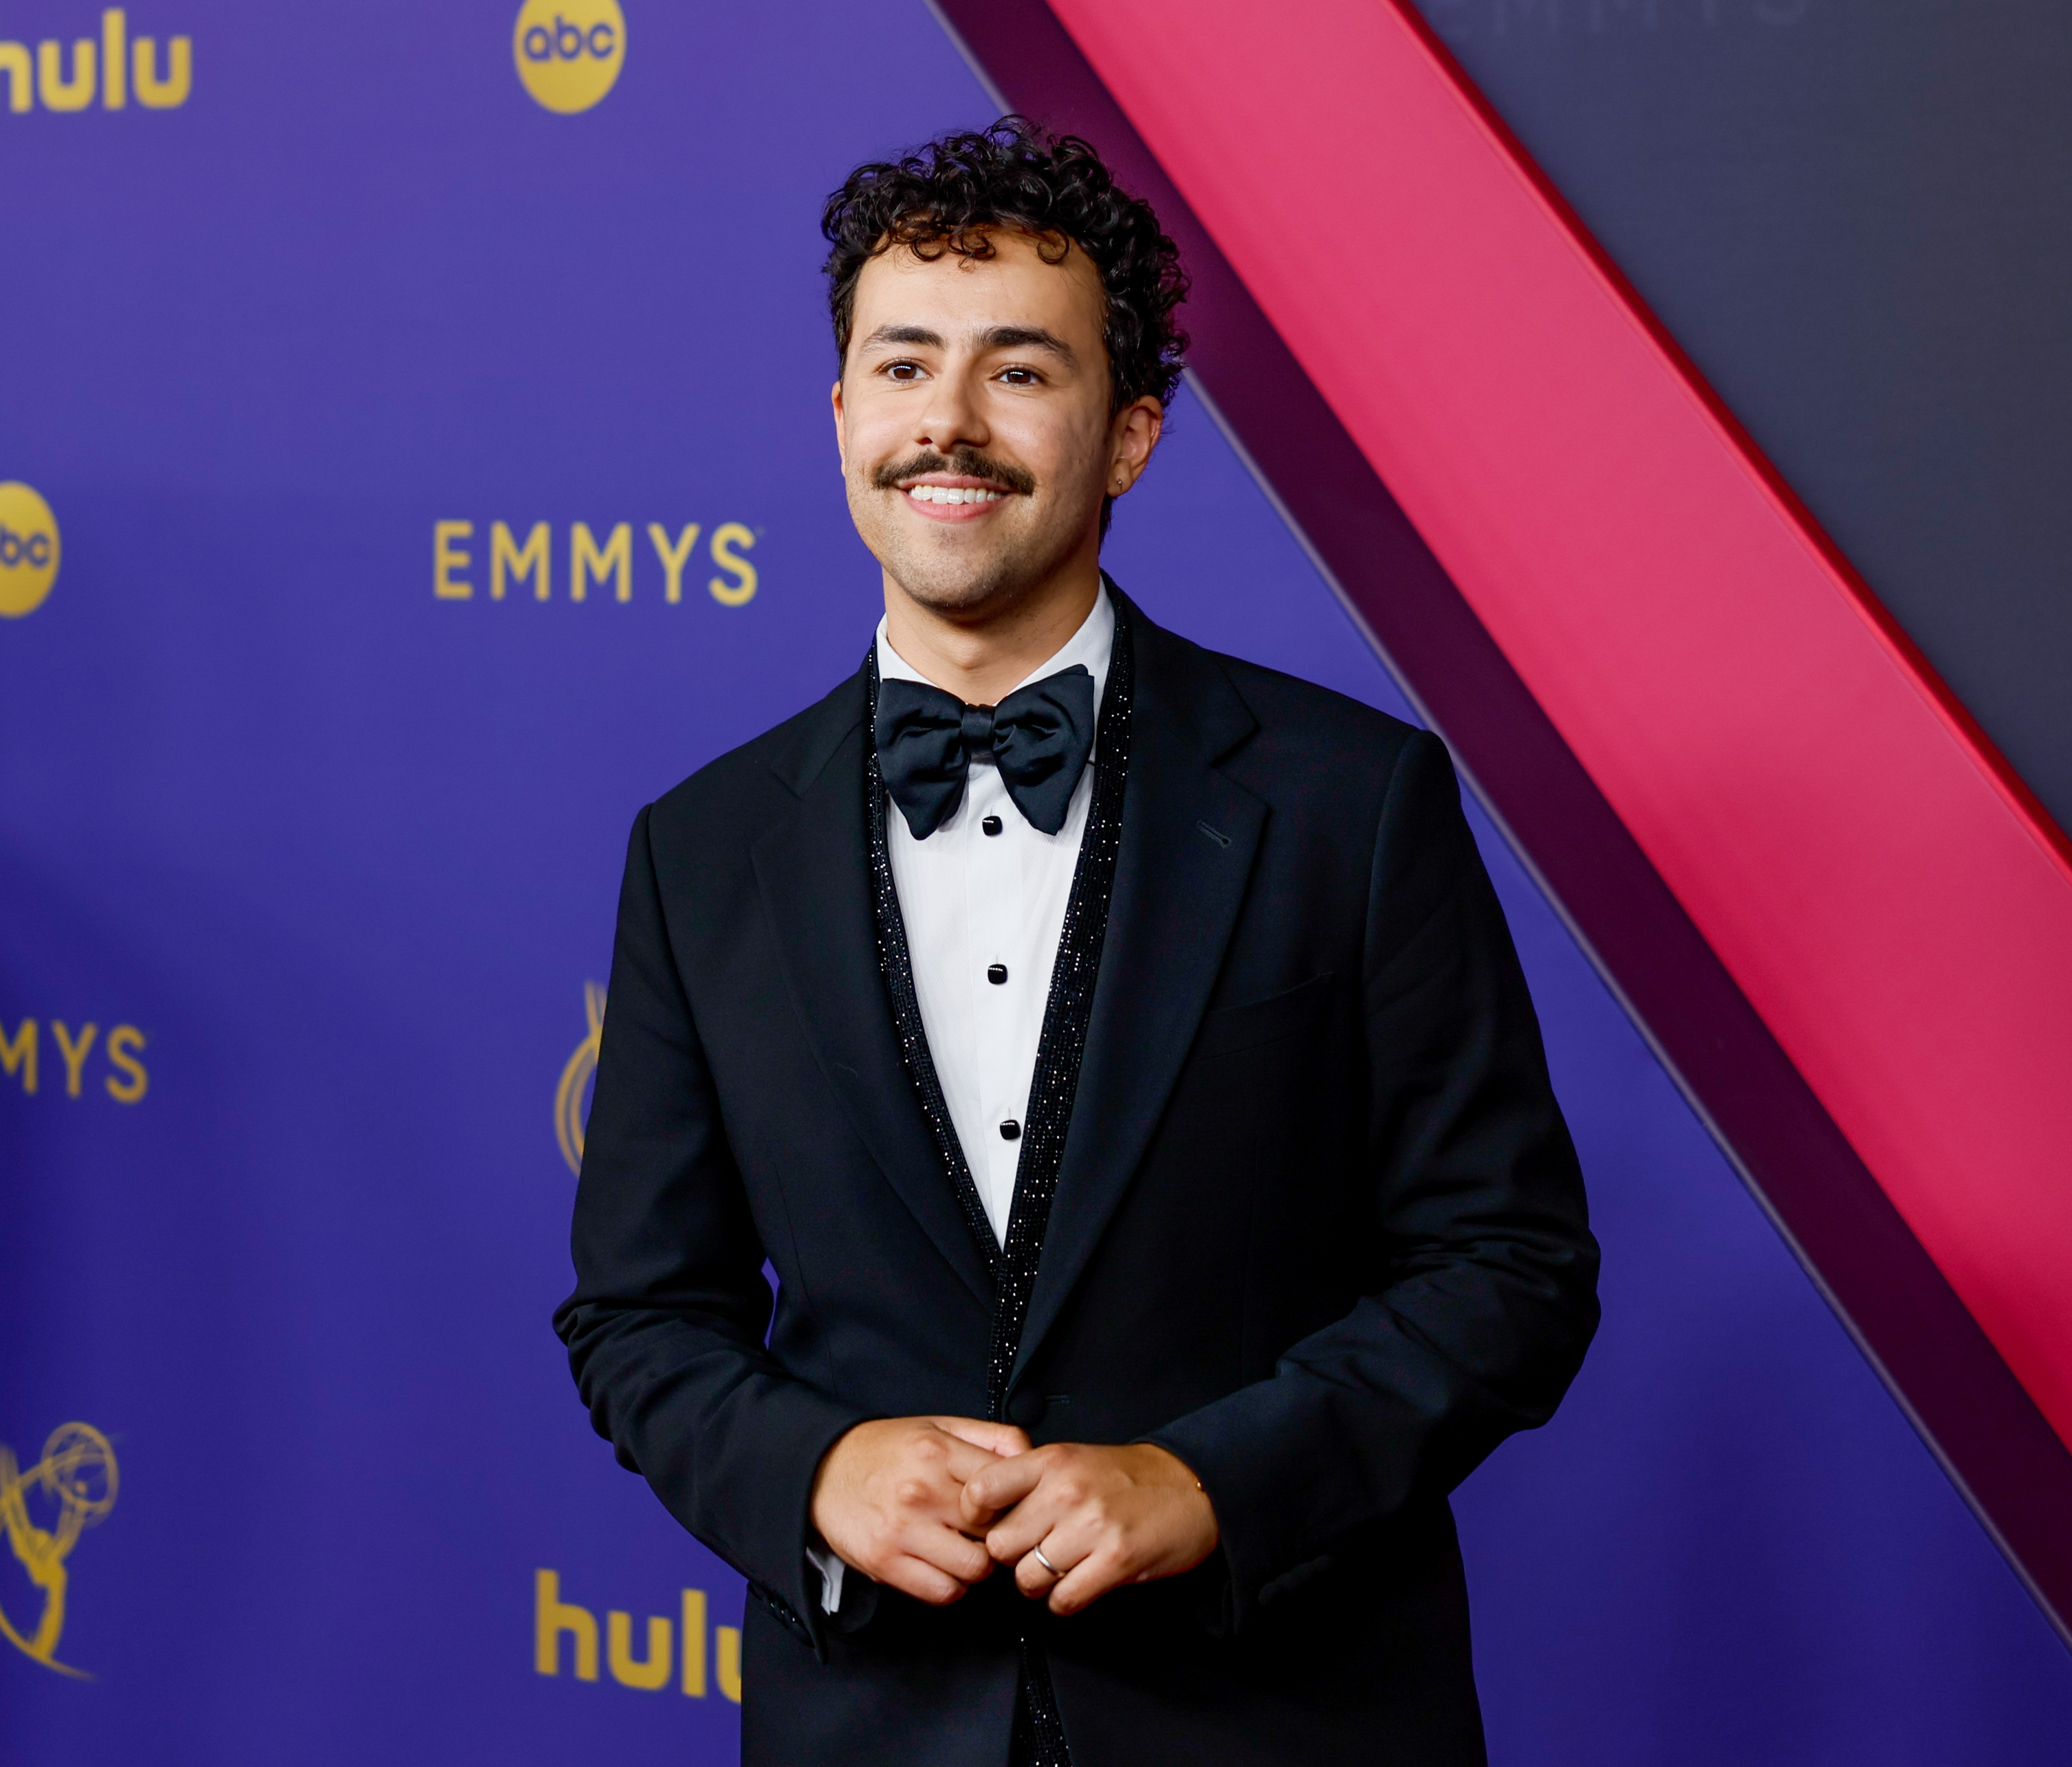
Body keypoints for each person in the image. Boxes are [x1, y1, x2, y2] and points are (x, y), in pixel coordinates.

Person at [556, 119, 1598, 1767]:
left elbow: (1510, 1264)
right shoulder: (701, 849)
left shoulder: (1350, 799)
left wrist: (1207, 1483)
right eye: (901, 365)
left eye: (1017, 370)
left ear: (1128, 434)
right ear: (840, 418)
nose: (946, 424)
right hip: (871, 1722)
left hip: (1283, 1714)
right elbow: (638, 1313)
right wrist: (813, 1472)